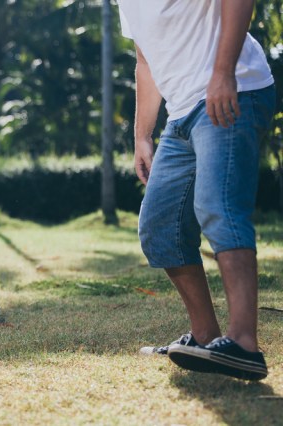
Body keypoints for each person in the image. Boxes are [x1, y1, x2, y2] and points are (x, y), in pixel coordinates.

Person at [118, 1, 275, 381]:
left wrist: (223, 74)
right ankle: (206, 337)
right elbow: (146, 61)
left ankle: (244, 343)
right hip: (183, 113)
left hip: (233, 89)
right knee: (160, 227)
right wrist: (142, 135)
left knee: (218, 208)